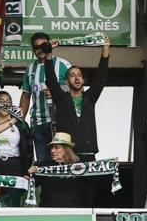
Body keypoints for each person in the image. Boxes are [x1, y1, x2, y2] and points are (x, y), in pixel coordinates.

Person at [44, 36, 110, 161]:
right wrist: (48, 54)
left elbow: (101, 78)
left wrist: (105, 49)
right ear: (67, 82)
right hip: (68, 153)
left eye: (79, 75)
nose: (77, 78)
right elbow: (51, 81)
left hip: (88, 153)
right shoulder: (62, 98)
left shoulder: (90, 97)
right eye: (72, 75)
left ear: (83, 80)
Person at [20, 33, 72, 161]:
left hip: (60, 123)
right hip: (38, 124)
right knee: (43, 165)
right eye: (36, 47)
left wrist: (58, 91)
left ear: (49, 44)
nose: (40, 50)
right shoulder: (30, 69)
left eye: (43, 46)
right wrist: (19, 120)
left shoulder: (63, 64)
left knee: (62, 163)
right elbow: (26, 96)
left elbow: (78, 88)